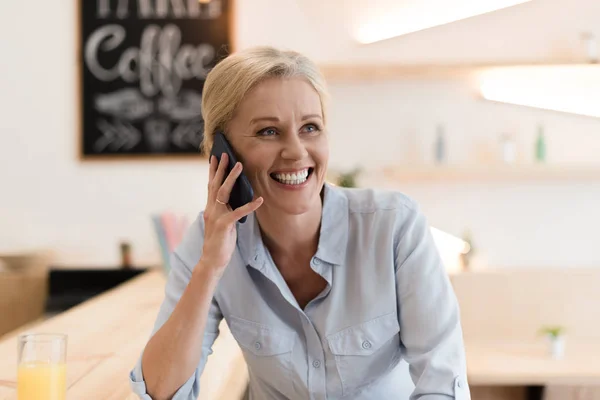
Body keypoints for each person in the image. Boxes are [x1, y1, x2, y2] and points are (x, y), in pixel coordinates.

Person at [129, 46, 471, 400]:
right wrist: (209, 269)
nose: (296, 152)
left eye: (310, 127)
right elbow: (159, 392)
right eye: (268, 132)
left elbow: (443, 386)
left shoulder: (394, 227)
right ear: (222, 151)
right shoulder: (208, 243)